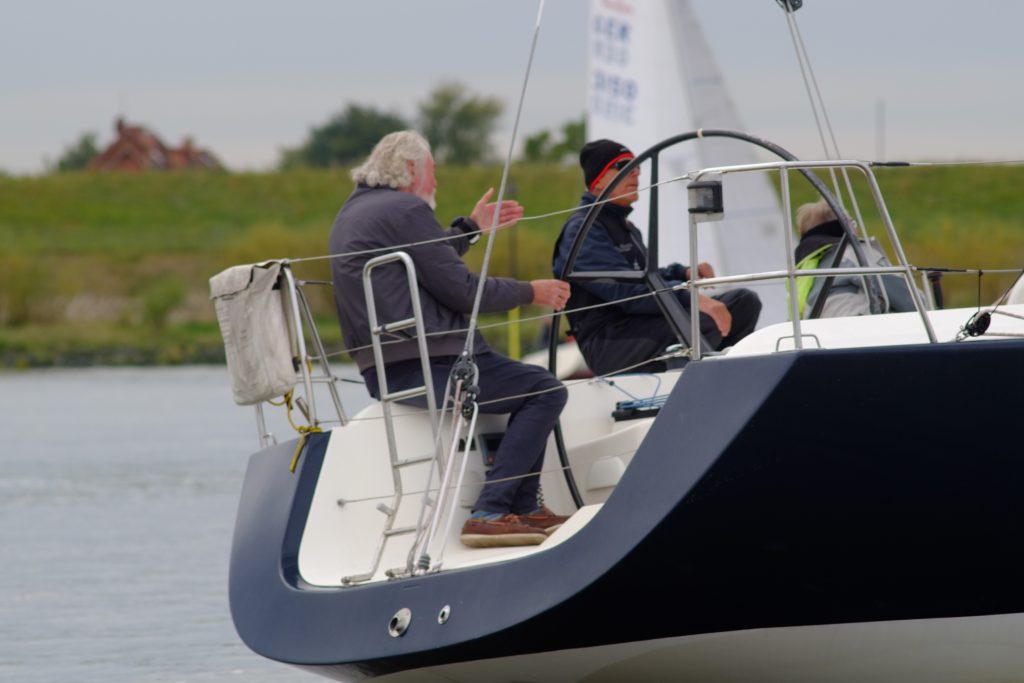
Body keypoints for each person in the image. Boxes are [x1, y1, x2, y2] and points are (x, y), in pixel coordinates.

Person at [329, 131, 571, 549]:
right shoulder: (406, 208)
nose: (436, 181)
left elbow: (428, 259)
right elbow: (460, 290)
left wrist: (471, 228)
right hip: (431, 361)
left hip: (385, 366)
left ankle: (524, 508)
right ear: (410, 169)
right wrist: (531, 291)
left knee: (530, 385)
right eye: (433, 170)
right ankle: (492, 511)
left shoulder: (356, 211)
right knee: (545, 391)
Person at [551, 139, 762, 375]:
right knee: (703, 322)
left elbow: (645, 277)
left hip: (640, 323)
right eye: (622, 166)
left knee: (744, 302)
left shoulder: (624, 227)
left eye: (637, 167)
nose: (635, 173)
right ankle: (702, 381)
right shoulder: (582, 230)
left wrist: (681, 273)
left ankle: (729, 376)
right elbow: (626, 291)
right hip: (610, 341)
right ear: (598, 180)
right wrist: (692, 299)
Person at [794, 198, 918, 318]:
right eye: (853, 222)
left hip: (822, 329)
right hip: (858, 324)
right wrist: (924, 305)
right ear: (845, 225)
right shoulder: (854, 253)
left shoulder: (807, 269)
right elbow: (906, 298)